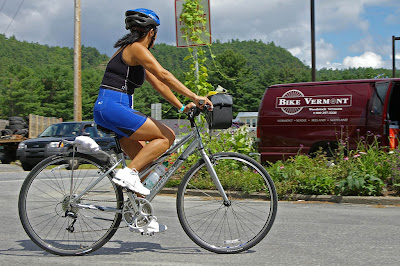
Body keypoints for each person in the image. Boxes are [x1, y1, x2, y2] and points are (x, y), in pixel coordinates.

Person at [93, 8, 213, 234]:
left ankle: (140, 215)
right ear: (152, 33)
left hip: (109, 108)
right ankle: (127, 174)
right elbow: (164, 74)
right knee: (167, 136)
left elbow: (159, 83)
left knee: (146, 168)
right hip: (114, 107)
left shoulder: (130, 51)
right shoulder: (137, 49)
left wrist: (180, 106)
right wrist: (195, 97)